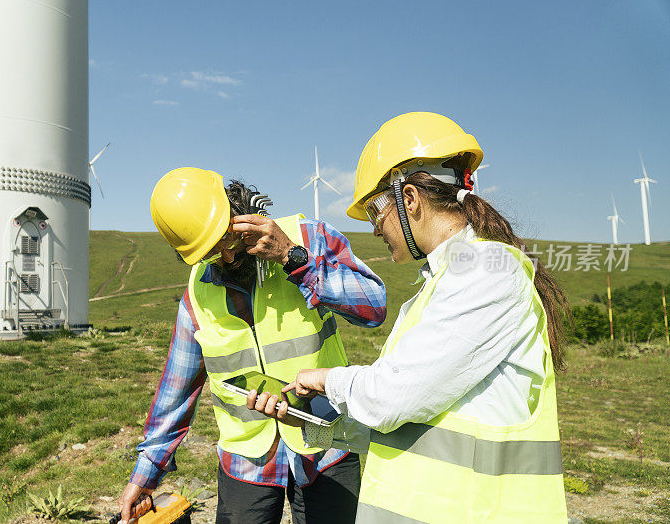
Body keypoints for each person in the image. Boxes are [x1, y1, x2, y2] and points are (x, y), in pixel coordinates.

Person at [247, 112, 570, 523]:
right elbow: (400, 427)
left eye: (375, 215)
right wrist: (304, 421)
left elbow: (389, 398)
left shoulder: (488, 271)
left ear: (410, 199)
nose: (376, 232)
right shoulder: (438, 285)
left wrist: (327, 378)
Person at [118, 167, 387, 524]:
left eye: (227, 240)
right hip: (245, 462)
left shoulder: (308, 237)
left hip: (326, 446)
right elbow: (176, 390)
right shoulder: (196, 294)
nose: (227, 258)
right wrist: (145, 474)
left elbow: (374, 307)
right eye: (211, 254)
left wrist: (294, 258)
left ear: (239, 210)